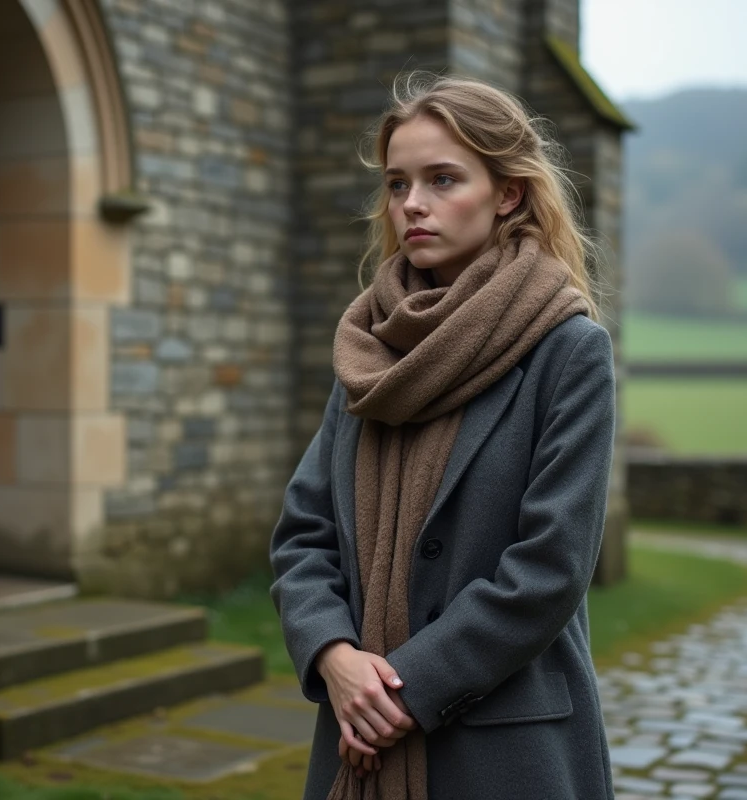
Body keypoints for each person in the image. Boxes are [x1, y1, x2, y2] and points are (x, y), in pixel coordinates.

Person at [270, 72, 617, 800]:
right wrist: (333, 656)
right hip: (355, 729)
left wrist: (401, 689)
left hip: (502, 746)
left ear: (508, 193)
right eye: (398, 184)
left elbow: (550, 567)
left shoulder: (567, 350)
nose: (412, 204)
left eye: (443, 179)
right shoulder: (368, 348)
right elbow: (305, 534)